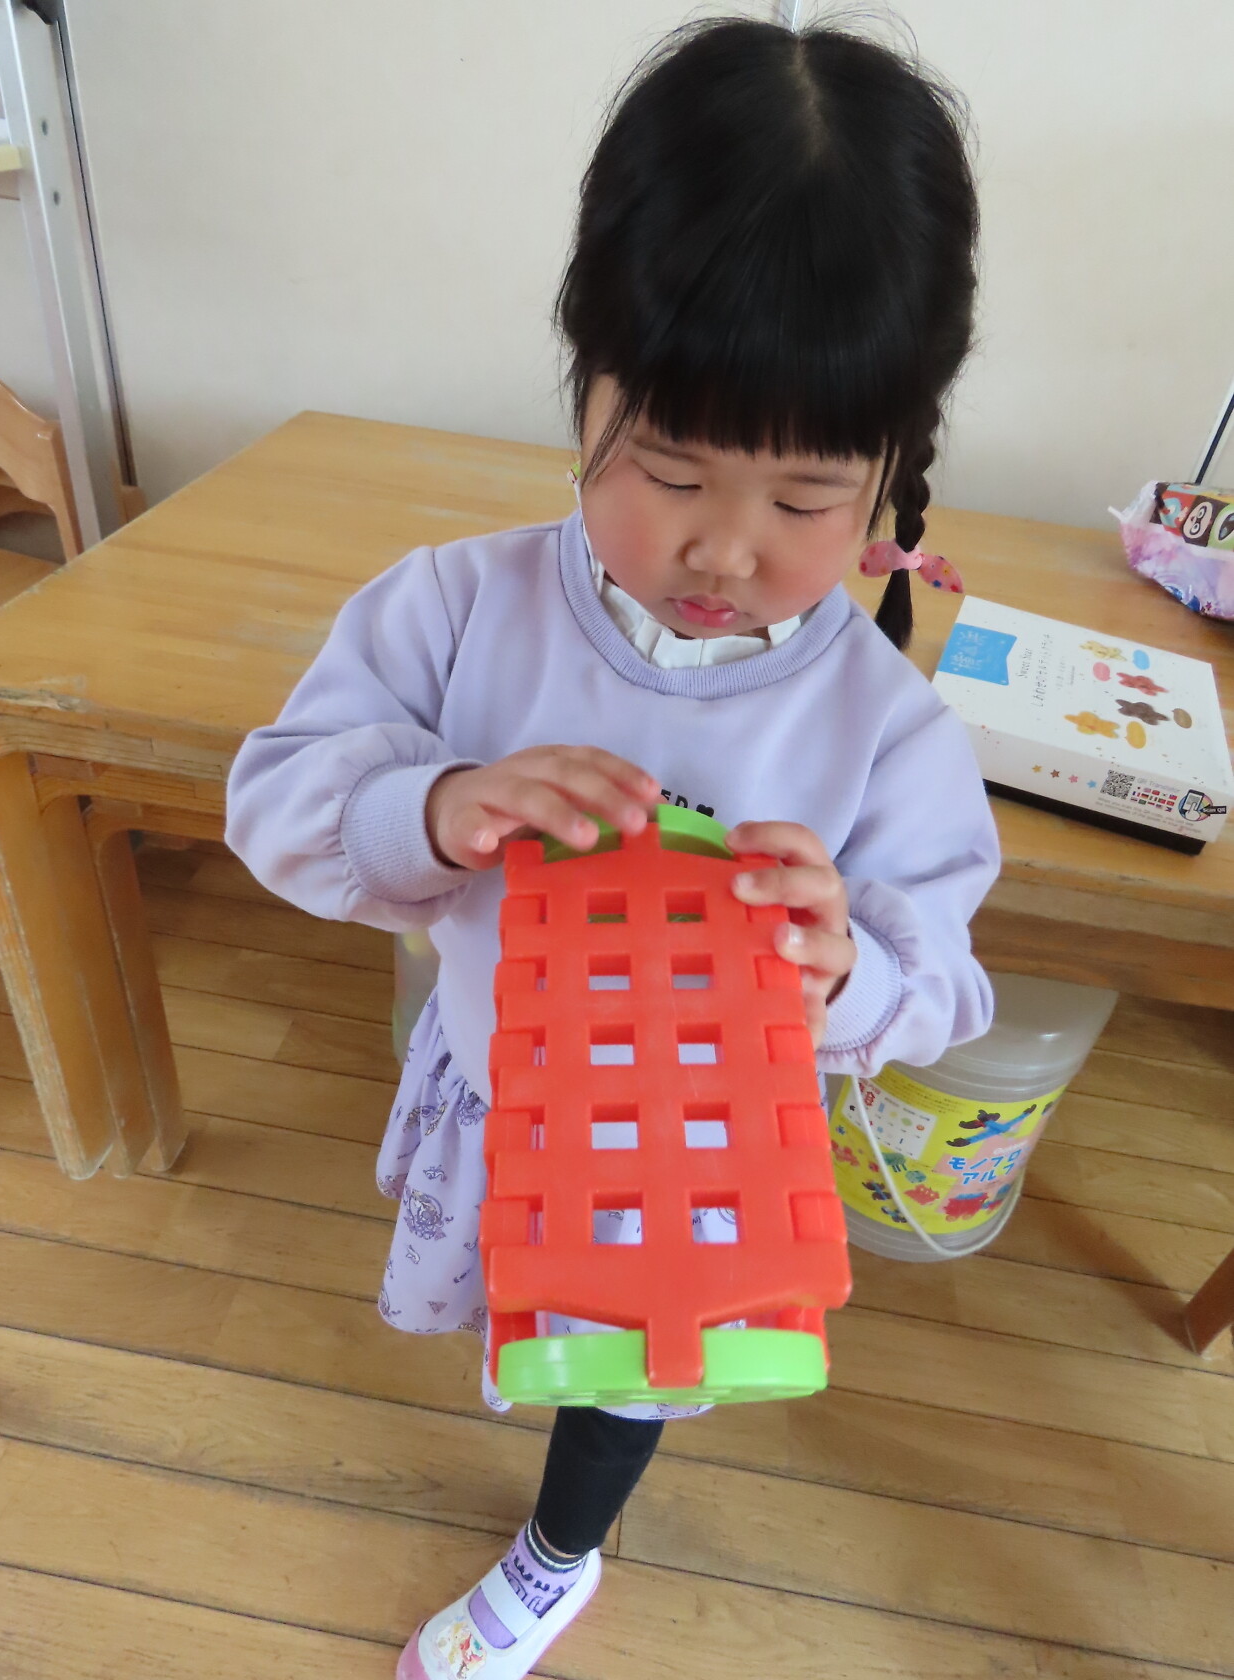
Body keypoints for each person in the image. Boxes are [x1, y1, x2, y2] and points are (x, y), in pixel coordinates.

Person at [226, 17, 999, 1679]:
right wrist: (439, 803)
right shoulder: (455, 607)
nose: (724, 548)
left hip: (712, 1169)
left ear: (892, 469)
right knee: (514, 1315)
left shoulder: (889, 727)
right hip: (502, 1098)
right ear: (586, 380)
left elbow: (945, 977)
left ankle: (560, 1553)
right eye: (668, 468)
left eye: (805, 500)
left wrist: (846, 964)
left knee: (626, 1382)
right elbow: (275, 797)